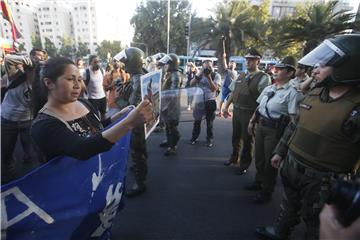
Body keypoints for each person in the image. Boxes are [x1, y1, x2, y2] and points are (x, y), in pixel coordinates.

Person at [256, 34, 360, 240]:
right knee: (288, 204)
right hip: (293, 166)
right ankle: (280, 232)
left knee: (315, 219)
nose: (316, 68)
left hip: (324, 179)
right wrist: (280, 151)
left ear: (348, 67)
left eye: (325, 64)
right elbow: (295, 126)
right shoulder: (315, 92)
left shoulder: (356, 108)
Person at [30, 57, 153, 163]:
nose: (78, 86)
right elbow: (83, 149)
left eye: (79, 79)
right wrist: (129, 122)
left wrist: (121, 115)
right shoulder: (44, 125)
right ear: (49, 83)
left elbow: (97, 128)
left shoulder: (83, 103)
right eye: (70, 79)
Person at [247, 56, 300, 203]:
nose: (275, 71)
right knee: (258, 157)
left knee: (270, 162)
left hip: (275, 130)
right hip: (261, 125)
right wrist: (251, 122)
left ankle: (266, 191)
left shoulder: (292, 92)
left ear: (290, 73)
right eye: (276, 68)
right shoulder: (270, 87)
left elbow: (293, 118)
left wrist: (288, 140)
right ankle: (258, 182)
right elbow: (259, 107)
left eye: (281, 69)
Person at [222, 48, 271, 175]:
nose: (248, 62)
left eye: (251, 60)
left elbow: (263, 101)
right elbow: (233, 92)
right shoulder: (241, 75)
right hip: (237, 111)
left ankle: (244, 164)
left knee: (248, 140)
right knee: (236, 137)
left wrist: (254, 118)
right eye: (247, 60)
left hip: (250, 112)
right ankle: (234, 158)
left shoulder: (263, 77)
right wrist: (226, 107)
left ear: (258, 61)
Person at [1, 48, 46, 183]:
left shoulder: (41, 82)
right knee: (6, 152)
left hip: (28, 121)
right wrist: (32, 61)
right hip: (8, 120)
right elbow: (8, 59)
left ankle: (32, 180)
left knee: (32, 152)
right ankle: (9, 178)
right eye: (37, 57)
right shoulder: (15, 75)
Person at [114, 47, 149, 197]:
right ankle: (140, 169)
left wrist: (118, 97)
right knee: (140, 149)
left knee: (137, 151)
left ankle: (140, 182)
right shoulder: (141, 75)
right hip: (141, 121)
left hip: (136, 123)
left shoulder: (138, 80)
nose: (123, 65)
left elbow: (132, 108)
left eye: (125, 62)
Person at [190, 60, 221, 148]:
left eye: (210, 67)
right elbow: (191, 84)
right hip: (199, 101)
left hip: (210, 101)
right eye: (205, 67)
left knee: (209, 122)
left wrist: (209, 78)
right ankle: (194, 138)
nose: (208, 69)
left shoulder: (216, 75)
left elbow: (214, 89)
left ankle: (209, 139)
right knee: (197, 121)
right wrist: (199, 74)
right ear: (202, 68)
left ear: (213, 67)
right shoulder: (200, 75)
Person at [158, 53, 182, 156]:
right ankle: (169, 142)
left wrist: (166, 106)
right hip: (166, 105)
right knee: (168, 125)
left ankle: (173, 147)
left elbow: (173, 93)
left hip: (172, 106)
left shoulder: (175, 75)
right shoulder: (170, 74)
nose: (165, 66)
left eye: (167, 64)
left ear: (172, 64)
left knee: (172, 127)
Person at [84, 55, 107, 120]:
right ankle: (99, 130)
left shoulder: (102, 71)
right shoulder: (86, 72)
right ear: (90, 63)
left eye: (99, 61)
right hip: (92, 99)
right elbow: (83, 86)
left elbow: (104, 84)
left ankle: (106, 129)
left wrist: (106, 95)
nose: (98, 64)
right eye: (95, 62)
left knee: (104, 116)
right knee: (95, 118)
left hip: (102, 98)